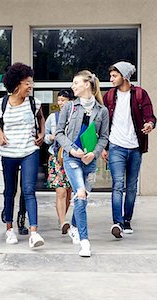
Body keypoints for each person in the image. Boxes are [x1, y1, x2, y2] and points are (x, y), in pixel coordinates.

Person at [55, 70, 109, 257]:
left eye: (76, 83)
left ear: (87, 84)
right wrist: (71, 149)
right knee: (80, 194)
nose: (73, 86)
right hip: (72, 159)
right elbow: (59, 133)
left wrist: (93, 154)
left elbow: (104, 137)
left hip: (90, 162)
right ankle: (85, 242)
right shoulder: (69, 107)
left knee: (81, 198)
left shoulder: (102, 111)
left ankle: (74, 226)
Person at [101, 61, 156, 239]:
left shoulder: (140, 94)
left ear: (124, 76)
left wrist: (149, 125)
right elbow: (102, 123)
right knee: (117, 185)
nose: (111, 79)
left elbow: (150, 116)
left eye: (114, 76)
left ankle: (127, 221)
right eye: (111, 76)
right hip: (116, 145)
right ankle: (117, 222)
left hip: (135, 147)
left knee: (131, 186)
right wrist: (104, 147)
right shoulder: (109, 96)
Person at [0, 62, 46, 248]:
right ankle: (9, 229)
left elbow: (41, 119)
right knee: (10, 191)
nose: (30, 86)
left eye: (31, 83)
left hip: (29, 151)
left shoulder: (33, 103)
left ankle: (34, 232)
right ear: (17, 84)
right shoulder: (1, 104)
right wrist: (0, 134)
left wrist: (41, 134)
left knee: (29, 190)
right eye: (27, 83)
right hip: (8, 153)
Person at [44, 89, 74, 234]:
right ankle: (62, 222)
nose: (61, 103)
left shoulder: (76, 116)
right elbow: (45, 136)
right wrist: (51, 137)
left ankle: (62, 218)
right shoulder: (52, 118)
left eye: (64, 100)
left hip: (72, 156)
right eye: (59, 100)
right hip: (56, 157)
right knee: (60, 191)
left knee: (68, 192)